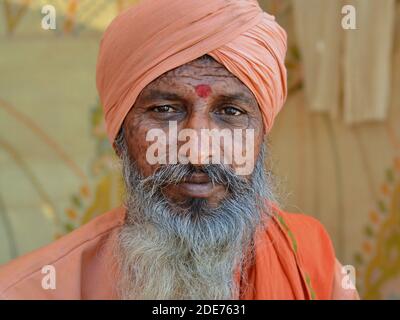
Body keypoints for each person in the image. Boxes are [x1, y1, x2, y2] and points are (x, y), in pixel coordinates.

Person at [0, 0, 359, 300]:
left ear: (262, 134)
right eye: (165, 110)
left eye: (230, 112)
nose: (199, 153)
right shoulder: (29, 289)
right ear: (120, 134)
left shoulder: (313, 265)